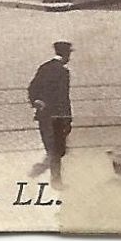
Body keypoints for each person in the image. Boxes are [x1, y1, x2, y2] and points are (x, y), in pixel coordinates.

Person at [27, 41, 74, 187]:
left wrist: (36, 101)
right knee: (57, 150)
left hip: (44, 115)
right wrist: (68, 118)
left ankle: (45, 174)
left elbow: (32, 88)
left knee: (53, 148)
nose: (70, 57)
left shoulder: (44, 68)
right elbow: (63, 98)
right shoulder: (63, 72)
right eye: (69, 54)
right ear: (66, 54)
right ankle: (55, 181)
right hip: (58, 116)